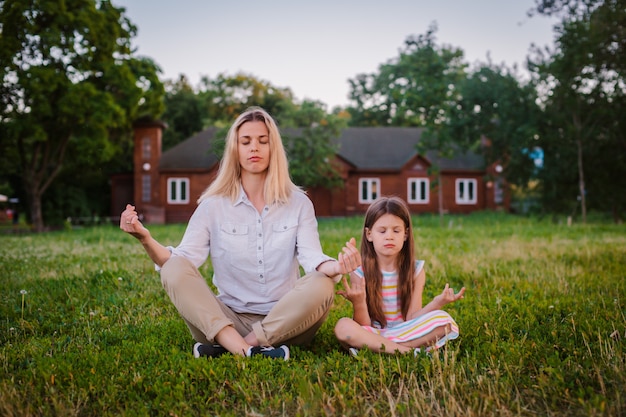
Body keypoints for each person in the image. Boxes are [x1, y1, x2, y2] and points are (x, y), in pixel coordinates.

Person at [120, 107, 358, 361]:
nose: (254, 148)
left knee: (322, 283)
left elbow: (313, 260)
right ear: (235, 149)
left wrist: (338, 266)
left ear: (273, 148)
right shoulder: (212, 205)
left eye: (262, 141)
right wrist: (145, 238)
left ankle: (235, 348)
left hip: (286, 323)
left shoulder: (299, 203)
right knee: (173, 267)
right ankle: (246, 349)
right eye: (246, 141)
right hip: (226, 321)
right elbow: (182, 261)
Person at [334, 196, 465, 356]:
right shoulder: (359, 271)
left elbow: (412, 317)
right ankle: (410, 352)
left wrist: (437, 303)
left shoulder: (416, 270)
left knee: (445, 321)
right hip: (374, 332)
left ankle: (377, 348)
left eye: (396, 230)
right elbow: (363, 324)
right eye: (382, 231)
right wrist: (358, 302)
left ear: (405, 234)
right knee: (343, 326)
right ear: (369, 234)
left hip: (406, 330)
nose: (389, 236)